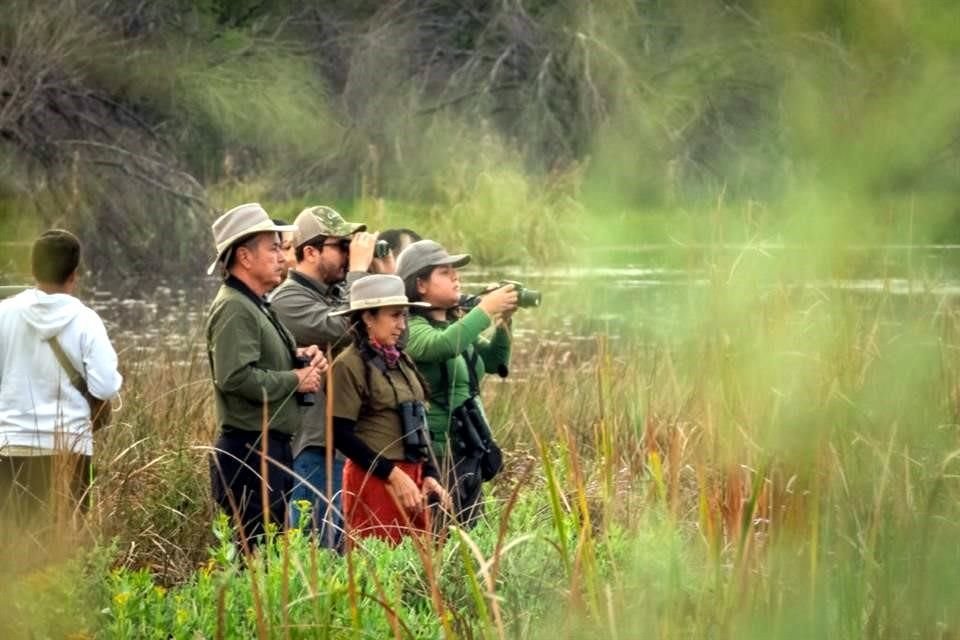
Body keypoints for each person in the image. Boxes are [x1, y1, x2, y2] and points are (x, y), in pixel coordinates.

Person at [205, 203, 327, 547]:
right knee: (255, 559)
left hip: (268, 451)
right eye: (273, 248)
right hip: (250, 454)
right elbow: (235, 378)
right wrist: (295, 379)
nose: (282, 257)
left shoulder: (255, 303)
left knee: (269, 558)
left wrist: (302, 357)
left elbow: (260, 361)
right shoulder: (234, 306)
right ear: (245, 257)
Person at [270, 205, 379, 547]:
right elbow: (347, 326)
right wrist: (358, 271)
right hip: (314, 445)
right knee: (313, 548)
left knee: (343, 548)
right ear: (311, 252)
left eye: (350, 246)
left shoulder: (334, 294)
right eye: (341, 246)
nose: (348, 254)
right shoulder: (287, 300)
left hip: (347, 442)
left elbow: (382, 334)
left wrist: (382, 277)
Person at [0, 229, 122, 523]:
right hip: (71, 451)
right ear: (74, 274)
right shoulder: (87, 320)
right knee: (66, 541)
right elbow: (106, 387)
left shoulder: (4, 313)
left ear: (33, 270)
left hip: (11, 445)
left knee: (13, 543)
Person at [397, 240, 517, 527]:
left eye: (455, 270)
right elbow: (441, 346)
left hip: (467, 445)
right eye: (444, 272)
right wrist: (485, 309)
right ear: (420, 284)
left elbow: (494, 361)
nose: (455, 277)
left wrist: (503, 322)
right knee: (440, 532)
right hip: (436, 454)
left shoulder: (453, 326)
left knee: (471, 531)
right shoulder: (409, 327)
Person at [329, 274, 450, 544]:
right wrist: (392, 474)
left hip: (412, 476)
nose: (402, 325)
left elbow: (419, 420)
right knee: (378, 561)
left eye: (404, 316)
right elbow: (340, 434)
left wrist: (430, 474)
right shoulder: (348, 365)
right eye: (394, 316)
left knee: (418, 561)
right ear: (368, 318)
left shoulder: (401, 360)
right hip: (374, 479)